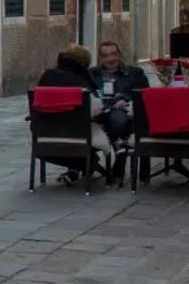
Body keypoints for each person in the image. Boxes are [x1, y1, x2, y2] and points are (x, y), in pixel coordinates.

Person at [36, 45, 100, 186]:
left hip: (44, 134)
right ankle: (91, 163)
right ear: (84, 63)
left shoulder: (47, 75)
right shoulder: (81, 80)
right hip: (78, 134)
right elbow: (95, 109)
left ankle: (78, 168)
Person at [89, 41, 149, 179]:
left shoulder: (135, 73)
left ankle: (119, 153)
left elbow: (144, 94)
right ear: (100, 58)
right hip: (99, 113)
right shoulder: (92, 74)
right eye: (106, 55)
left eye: (113, 54)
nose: (110, 59)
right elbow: (88, 93)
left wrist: (127, 99)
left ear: (119, 54)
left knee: (117, 118)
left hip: (124, 113)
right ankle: (119, 148)